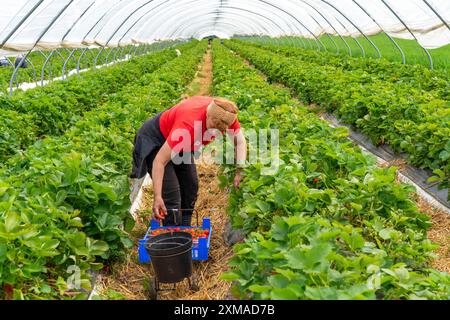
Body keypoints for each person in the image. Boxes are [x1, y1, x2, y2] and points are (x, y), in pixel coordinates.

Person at [130, 96, 247, 226]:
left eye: (220, 131)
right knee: (171, 196)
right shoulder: (189, 125)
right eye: (213, 127)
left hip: (181, 142)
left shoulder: (226, 114)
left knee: (190, 187)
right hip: (157, 139)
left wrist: (239, 171)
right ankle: (173, 236)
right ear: (208, 115)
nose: (214, 132)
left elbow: (240, 142)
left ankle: (184, 227)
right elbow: (159, 161)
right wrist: (157, 196)